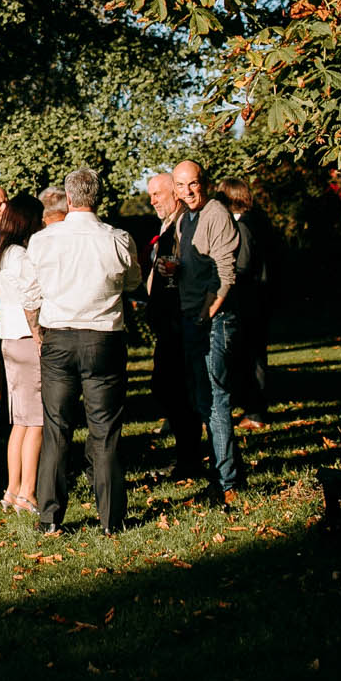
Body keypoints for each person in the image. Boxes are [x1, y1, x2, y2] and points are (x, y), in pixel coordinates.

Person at [29, 167, 142, 535]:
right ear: (97, 197)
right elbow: (133, 281)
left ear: (69, 196)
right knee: (105, 430)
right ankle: (111, 519)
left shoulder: (44, 240)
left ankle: (49, 517)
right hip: (102, 337)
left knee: (56, 428)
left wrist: (35, 329)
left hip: (59, 337)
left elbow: (31, 295)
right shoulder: (116, 238)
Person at [172, 159, 245, 505]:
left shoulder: (216, 214)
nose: (186, 192)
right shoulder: (184, 219)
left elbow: (225, 277)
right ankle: (227, 471)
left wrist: (205, 316)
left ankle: (226, 482)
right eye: (180, 185)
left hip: (212, 319)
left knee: (216, 400)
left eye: (193, 184)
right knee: (204, 401)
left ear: (205, 182)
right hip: (192, 317)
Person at [0, 196, 46, 513]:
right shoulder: (20, 255)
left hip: (8, 336)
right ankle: (28, 491)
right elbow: (32, 296)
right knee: (35, 420)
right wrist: (40, 335)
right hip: (25, 336)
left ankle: (13, 489)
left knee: (20, 420)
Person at [144, 171, 201, 478]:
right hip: (168, 321)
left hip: (178, 320)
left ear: (175, 195)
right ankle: (188, 457)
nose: (152, 200)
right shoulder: (168, 225)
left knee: (176, 389)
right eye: (150, 194)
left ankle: (190, 459)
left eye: (157, 194)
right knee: (168, 388)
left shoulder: (182, 226)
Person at [217, 177, 277, 430]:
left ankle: (255, 412)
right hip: (258, 299)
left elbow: (241, 267)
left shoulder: (242, 228)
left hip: (248, 301)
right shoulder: (258, 223)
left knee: (250, 357)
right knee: (253, 356)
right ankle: (253, 408)